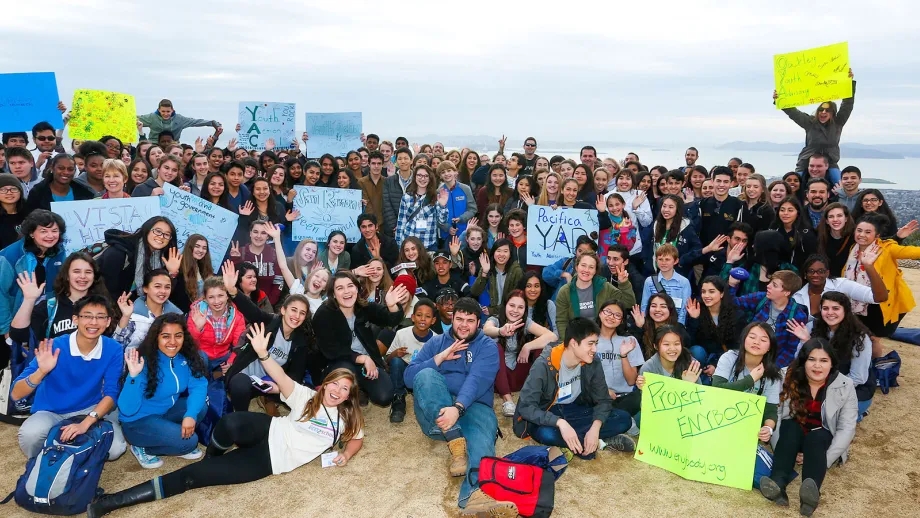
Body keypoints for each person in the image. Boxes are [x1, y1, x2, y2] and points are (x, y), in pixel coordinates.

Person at [86, 326, 364, 518]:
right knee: (230, 423)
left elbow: (357, 438)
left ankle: (109, 503)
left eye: (344, 390)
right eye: (335, 385)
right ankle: (212, 456)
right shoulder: (307, 396)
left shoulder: (347, 417)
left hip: (272, 461)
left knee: (194, 477)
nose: (338, 392)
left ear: (349, 397)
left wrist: (347, 454)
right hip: (269, 429)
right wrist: (263, 354)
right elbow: (280, 377)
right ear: (325, 385)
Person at [404, 297, 517, 516]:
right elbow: (408, 378)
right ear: (451, 319)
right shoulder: (436, 343)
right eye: (459, 319)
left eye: (470, 320)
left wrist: (458, 408)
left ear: (478, 323)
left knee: (482, 442)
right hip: (438, 419)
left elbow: (475, 381)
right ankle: (454, 439)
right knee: (425, 374)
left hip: (474, 409)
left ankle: (474, 496)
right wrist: (438, 359)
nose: (463, 325)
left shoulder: (488, 347)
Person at [12, 295, 127, 461]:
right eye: (87, 316)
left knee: (116, 449)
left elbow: (111, 393)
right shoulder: (55, 346)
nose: (93, 322)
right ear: (75, 319)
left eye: (100, 317)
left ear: (108, 322)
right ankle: (48, 464)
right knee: (30, 436)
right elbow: (16, 394)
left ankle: (77, 459)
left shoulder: (113, 349)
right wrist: (41, 372)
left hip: (91, 407)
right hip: (51, 410)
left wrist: (85, 423)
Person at [759, 339, 857, 517]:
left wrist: (822, 459)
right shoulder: (786, 376)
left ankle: (810, 497)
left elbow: (847, 428)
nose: (817, 366)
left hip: (822, 438)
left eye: (824, 360)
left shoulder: (845, 385)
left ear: (832, 363)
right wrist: (781, 446)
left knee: (817, 437)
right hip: (791, 434)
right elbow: (778, 415)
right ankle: (778, 485)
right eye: (812, 359)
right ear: (804, 361)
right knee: (789, 427)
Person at [514, 316, 636, 459]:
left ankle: (587, 440)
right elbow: (526, 407)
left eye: (596, 343)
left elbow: (603, 400)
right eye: (590, 344)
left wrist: (595, 428)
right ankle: (600, 442)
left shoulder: (593, 362)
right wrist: (560, 423)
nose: (594, 349)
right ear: (573, 343)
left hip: (576, 408)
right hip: (549, 411)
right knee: (545, 434)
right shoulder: (544, 364)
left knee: (624, 419)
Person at [118, 315, 208, 468]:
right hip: (137, 422)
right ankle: (143, 447)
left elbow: (199, 386)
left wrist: (190, 415)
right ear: (156, 338)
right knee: (190, 442)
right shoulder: (143, 361)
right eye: (166, 336)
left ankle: (169, 436)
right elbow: (127, 410)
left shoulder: (185, 358)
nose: (172, 342)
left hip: (164, 412)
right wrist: (133, 377)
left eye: (178, 336)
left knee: (200, 408)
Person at [313, 271, 409, 406]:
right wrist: (362, 358)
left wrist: (392, 305)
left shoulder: (362, 307)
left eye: (350, 286)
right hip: (339, 362)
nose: (347, 291)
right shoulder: (324, 314)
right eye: (340, 288)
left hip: (366, 363)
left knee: (384, 396)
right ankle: (353, 389)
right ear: (333, 294)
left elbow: (389, 319)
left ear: (357, 289)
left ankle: (359, 387)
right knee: (345, 375)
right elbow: (332, 351)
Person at [712, 322, 782, 485]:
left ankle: (771, 482)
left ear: (770, 347)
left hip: (745, 428)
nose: (756, 342)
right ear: (744, 339)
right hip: (718, 419)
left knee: (757, 472)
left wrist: (768, 428)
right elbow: (716, 390)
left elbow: (771, 410)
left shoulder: (772, 373)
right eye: (752, 337)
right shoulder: (730, 358)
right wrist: (750, 380)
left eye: (763, 339)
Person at [788, 292, 874, 421]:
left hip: (851, 389)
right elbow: (799, 361)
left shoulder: (860, 337)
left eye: (836, 308)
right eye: (825, 308)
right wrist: (806, 342)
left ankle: (858, 414)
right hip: (816, 384)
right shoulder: (812, 326)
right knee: (796, 412)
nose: (830, 313)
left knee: (826, 419)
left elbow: (858, 377)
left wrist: (825, 390)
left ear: (846, 310)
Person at [844, 213, 920, 340]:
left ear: (877, 235)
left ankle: (875, 359)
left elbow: (913, 252)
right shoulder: (853, 249)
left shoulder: (886, 249)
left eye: (868, 232)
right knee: (861, 336)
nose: (862, 235)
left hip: (882, 302)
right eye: (859, 230)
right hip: (858, 300)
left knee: (874, 338)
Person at [483, 289, 558, 417]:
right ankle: (508, 400)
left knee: (541, 348)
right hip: (498, 378)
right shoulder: (495, 320)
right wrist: (501, 331)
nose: (515, 310)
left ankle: (539, 393)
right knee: (495, 348)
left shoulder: (526, 322)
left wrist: (528, 346)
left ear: (525, 310)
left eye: (520, 307)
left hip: (518, 375)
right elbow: (486, 329)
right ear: (505, 305)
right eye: (512, 305)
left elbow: (552, 336)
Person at [9, 253, 110, 346]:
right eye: (76, 271)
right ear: (67, 276)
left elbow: (112, 339)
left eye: (88, 272)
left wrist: (125, 316)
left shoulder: (103, 306)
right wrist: (29, 300)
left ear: (94, 276)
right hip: (56, 364)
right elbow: (18, 336)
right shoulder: (50, 306)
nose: (82, 276)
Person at [774, 70, 856, 185]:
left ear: (832, 113)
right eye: (821, 110)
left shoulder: (838, 123)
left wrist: (849, 83)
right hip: (807, 160)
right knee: (794, 183)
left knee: (840, 185)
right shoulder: (810, 122)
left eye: (827, 110)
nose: (823, 112)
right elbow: (793, 112)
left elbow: (847, 105)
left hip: (830, 160)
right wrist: (780, 99)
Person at [0, 210, 68, 335]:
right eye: (43, 231)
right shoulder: (10, 256)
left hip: (45, 317)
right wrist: (6, 330)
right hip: (15, 317)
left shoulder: (59, 251)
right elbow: (1, 293)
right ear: (31, 233)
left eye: (54, 231)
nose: (50, 235)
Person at [728, 269, 809, 368]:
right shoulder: (761, 298)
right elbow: (732, 303)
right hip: (748, 354)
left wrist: (771, 369)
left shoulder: (797, 315)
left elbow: (790, 350)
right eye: (770, 282)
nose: (768, 286)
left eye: (774, 285)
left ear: (787, 292)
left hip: (772, 361)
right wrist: (732, 285)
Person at [555, 252, 636, 340]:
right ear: (576, 267)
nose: (586, 270)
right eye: (583, 265)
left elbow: (629, 303)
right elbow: (561, 321)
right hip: (576, 339)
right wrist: (567, 343)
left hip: (602, 338)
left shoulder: (605, 287)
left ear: (595, 271)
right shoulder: (565, 291)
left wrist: (624, 283)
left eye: (591, 267)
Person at [95, 216, 181, 299]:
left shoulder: (163, 259)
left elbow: (162, 294)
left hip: (134, 306)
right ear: (147, 230)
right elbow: (107, 290)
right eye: (158, 231)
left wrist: (172, 273)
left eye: (167, 234)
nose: (161, 237)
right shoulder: (119, 253)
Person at [385, 298, 438, 423]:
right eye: (419, 315)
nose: (423, 319)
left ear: (433, 320)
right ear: (413, 317)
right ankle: (398, 399)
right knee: (397, 361)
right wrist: (395, 353)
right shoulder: (401, 334)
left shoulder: (436, 340)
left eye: (427, 316)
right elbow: (387, 361)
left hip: (421, 375)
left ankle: (419, 393)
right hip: (402, 372)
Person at [792, 252, 886, 319]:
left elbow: (880, 298)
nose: (815, 275)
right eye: (811, 271)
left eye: (821, 271)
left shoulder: (841, 285)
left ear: (827, 273)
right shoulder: (797, 296)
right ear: (805, 274)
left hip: (841, 338)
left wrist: (869, 267)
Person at [685, 276, 746, 376]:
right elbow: (689, 343)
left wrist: (715, 364)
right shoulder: (697, 310)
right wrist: (694, 319)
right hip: (703, 357)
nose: (706, 295)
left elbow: (736, 347)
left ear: (721, 294)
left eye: (711, 291)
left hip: (726, 357)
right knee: (696, 351)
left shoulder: (736, 315)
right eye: (703, 292)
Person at [114, 269, 184, 350]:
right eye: (157, 286)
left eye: (167, 287)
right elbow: (116, 346)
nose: (163, 291)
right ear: (145, 288)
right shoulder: (133, 314)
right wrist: (125, 317)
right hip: (133, 361)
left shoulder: (177, 316)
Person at [395, 165, 449, 251]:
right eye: (419, 175)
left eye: (426, 176)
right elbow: (401, 222)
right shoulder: (406, 197)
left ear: (430, 178)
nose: (422, 179)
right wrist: (399, 245)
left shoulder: (435, 197)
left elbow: (442, 221)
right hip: (410, 246)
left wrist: (443, 206)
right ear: (414, 177)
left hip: (429, 244)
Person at [229, 221, 284, 306]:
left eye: (263, 233)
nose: (259, 236)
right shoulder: (239, 252)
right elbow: (233, 281)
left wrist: (267, 303)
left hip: (267, 305)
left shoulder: (275, 254)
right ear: (250, 233)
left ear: (267, 236)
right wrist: (235, 260)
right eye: (255, 232)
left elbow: (278, 282)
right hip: (241, 305)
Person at [651, 196, 701, 280]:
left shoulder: (686, 226)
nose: (666, 210)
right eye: (664, 206)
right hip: (658, 274)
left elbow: (696, 248)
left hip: (679, 275)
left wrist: (682, 261)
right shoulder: (656, 224)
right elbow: (649, 248)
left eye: (671, 207)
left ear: (678, 209)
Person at [640, 244, 692, 324]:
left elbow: (684, 308)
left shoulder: (683, 282)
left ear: (676, 261)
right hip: (654, 323)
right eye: (660, 259)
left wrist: (680, 326)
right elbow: (645, 305)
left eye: (667, 259)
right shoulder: (649, 281)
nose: (663, 263)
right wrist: (645, 324)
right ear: (656, 260)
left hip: (675, 323)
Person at [470, 239, 523, 317]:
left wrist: (494, 310)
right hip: (489, 314)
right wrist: (484, 273)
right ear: (493, 252)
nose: (501, 254)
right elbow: (474, 292)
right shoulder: (487, 267)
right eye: (498, 251)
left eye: (505, 251)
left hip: (510, 313)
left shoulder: (516, 271)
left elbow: (516, 299)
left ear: (510, 254)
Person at [635, 325, 702, 387]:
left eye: (676, 344)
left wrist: (690, 385)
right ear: (656, 346)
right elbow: (650, 398)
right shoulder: (648, 368)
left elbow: (700, 396)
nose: (672, 349)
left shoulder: (690, 364)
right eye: (666, 344)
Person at [24, 154, 94, 211]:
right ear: (52, 168)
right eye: (61, 168)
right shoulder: (37, 192)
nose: (66, 172)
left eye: (70, 169)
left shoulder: (84, 193)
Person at [137, 98, 220, 142]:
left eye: (168, 111)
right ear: (159, 110)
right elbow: (133, 119)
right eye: (163, 111)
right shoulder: (152, 117)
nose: (166, 114)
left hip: (173, 145)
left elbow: (195, 122)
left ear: (172, 110)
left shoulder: (179, 119)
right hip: (154, 144)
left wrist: (213, 123)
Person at [852, 189, 918, 242]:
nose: (869, 203)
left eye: (873, 200)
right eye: (865, 200)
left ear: (880, 202)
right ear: (861, 203)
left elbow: (894, 242)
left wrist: (898, 236)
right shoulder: (853, 219)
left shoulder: (889, 219)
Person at [771, 196, 818, 272]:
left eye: (790, 210)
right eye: (782, 210)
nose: (785, 213)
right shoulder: (773, 230)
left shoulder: (806, 234)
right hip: (775, 272)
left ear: (798, 212)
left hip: (798, 274)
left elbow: (812, 258)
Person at [171, 234, 214, 311]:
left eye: (204, 248)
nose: (201, 250)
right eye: (197, 246)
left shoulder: (204, 268)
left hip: (199, 314)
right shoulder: (178, 266)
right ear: (189, 247)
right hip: (181, 314)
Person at [437, 160, 477, 243]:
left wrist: (461, 218)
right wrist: (447, 228)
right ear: (440, 176)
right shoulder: (438, 192)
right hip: (446, 235)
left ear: (455, 172)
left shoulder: (465, 188)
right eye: (443, 172)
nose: (446, 174)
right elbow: (436, 215)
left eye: (449, 171)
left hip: (464, 231)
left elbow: (473, 209)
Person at [382, 146, 415, 238]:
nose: (403, 161)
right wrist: (395, 225)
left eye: (406, 158)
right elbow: (386, 205)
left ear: (411, 160)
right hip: (394, 228)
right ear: (396, 161)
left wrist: (409, 225)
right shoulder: (389, 181)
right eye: (400, 159)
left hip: (413, 227)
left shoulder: (417, 180)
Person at [816, 202, 856, 275]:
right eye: (831, 216)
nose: (835, 219)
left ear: (846, 218)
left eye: (839, 216)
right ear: (827, 221)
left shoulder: (855, 238)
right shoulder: (819, 236)